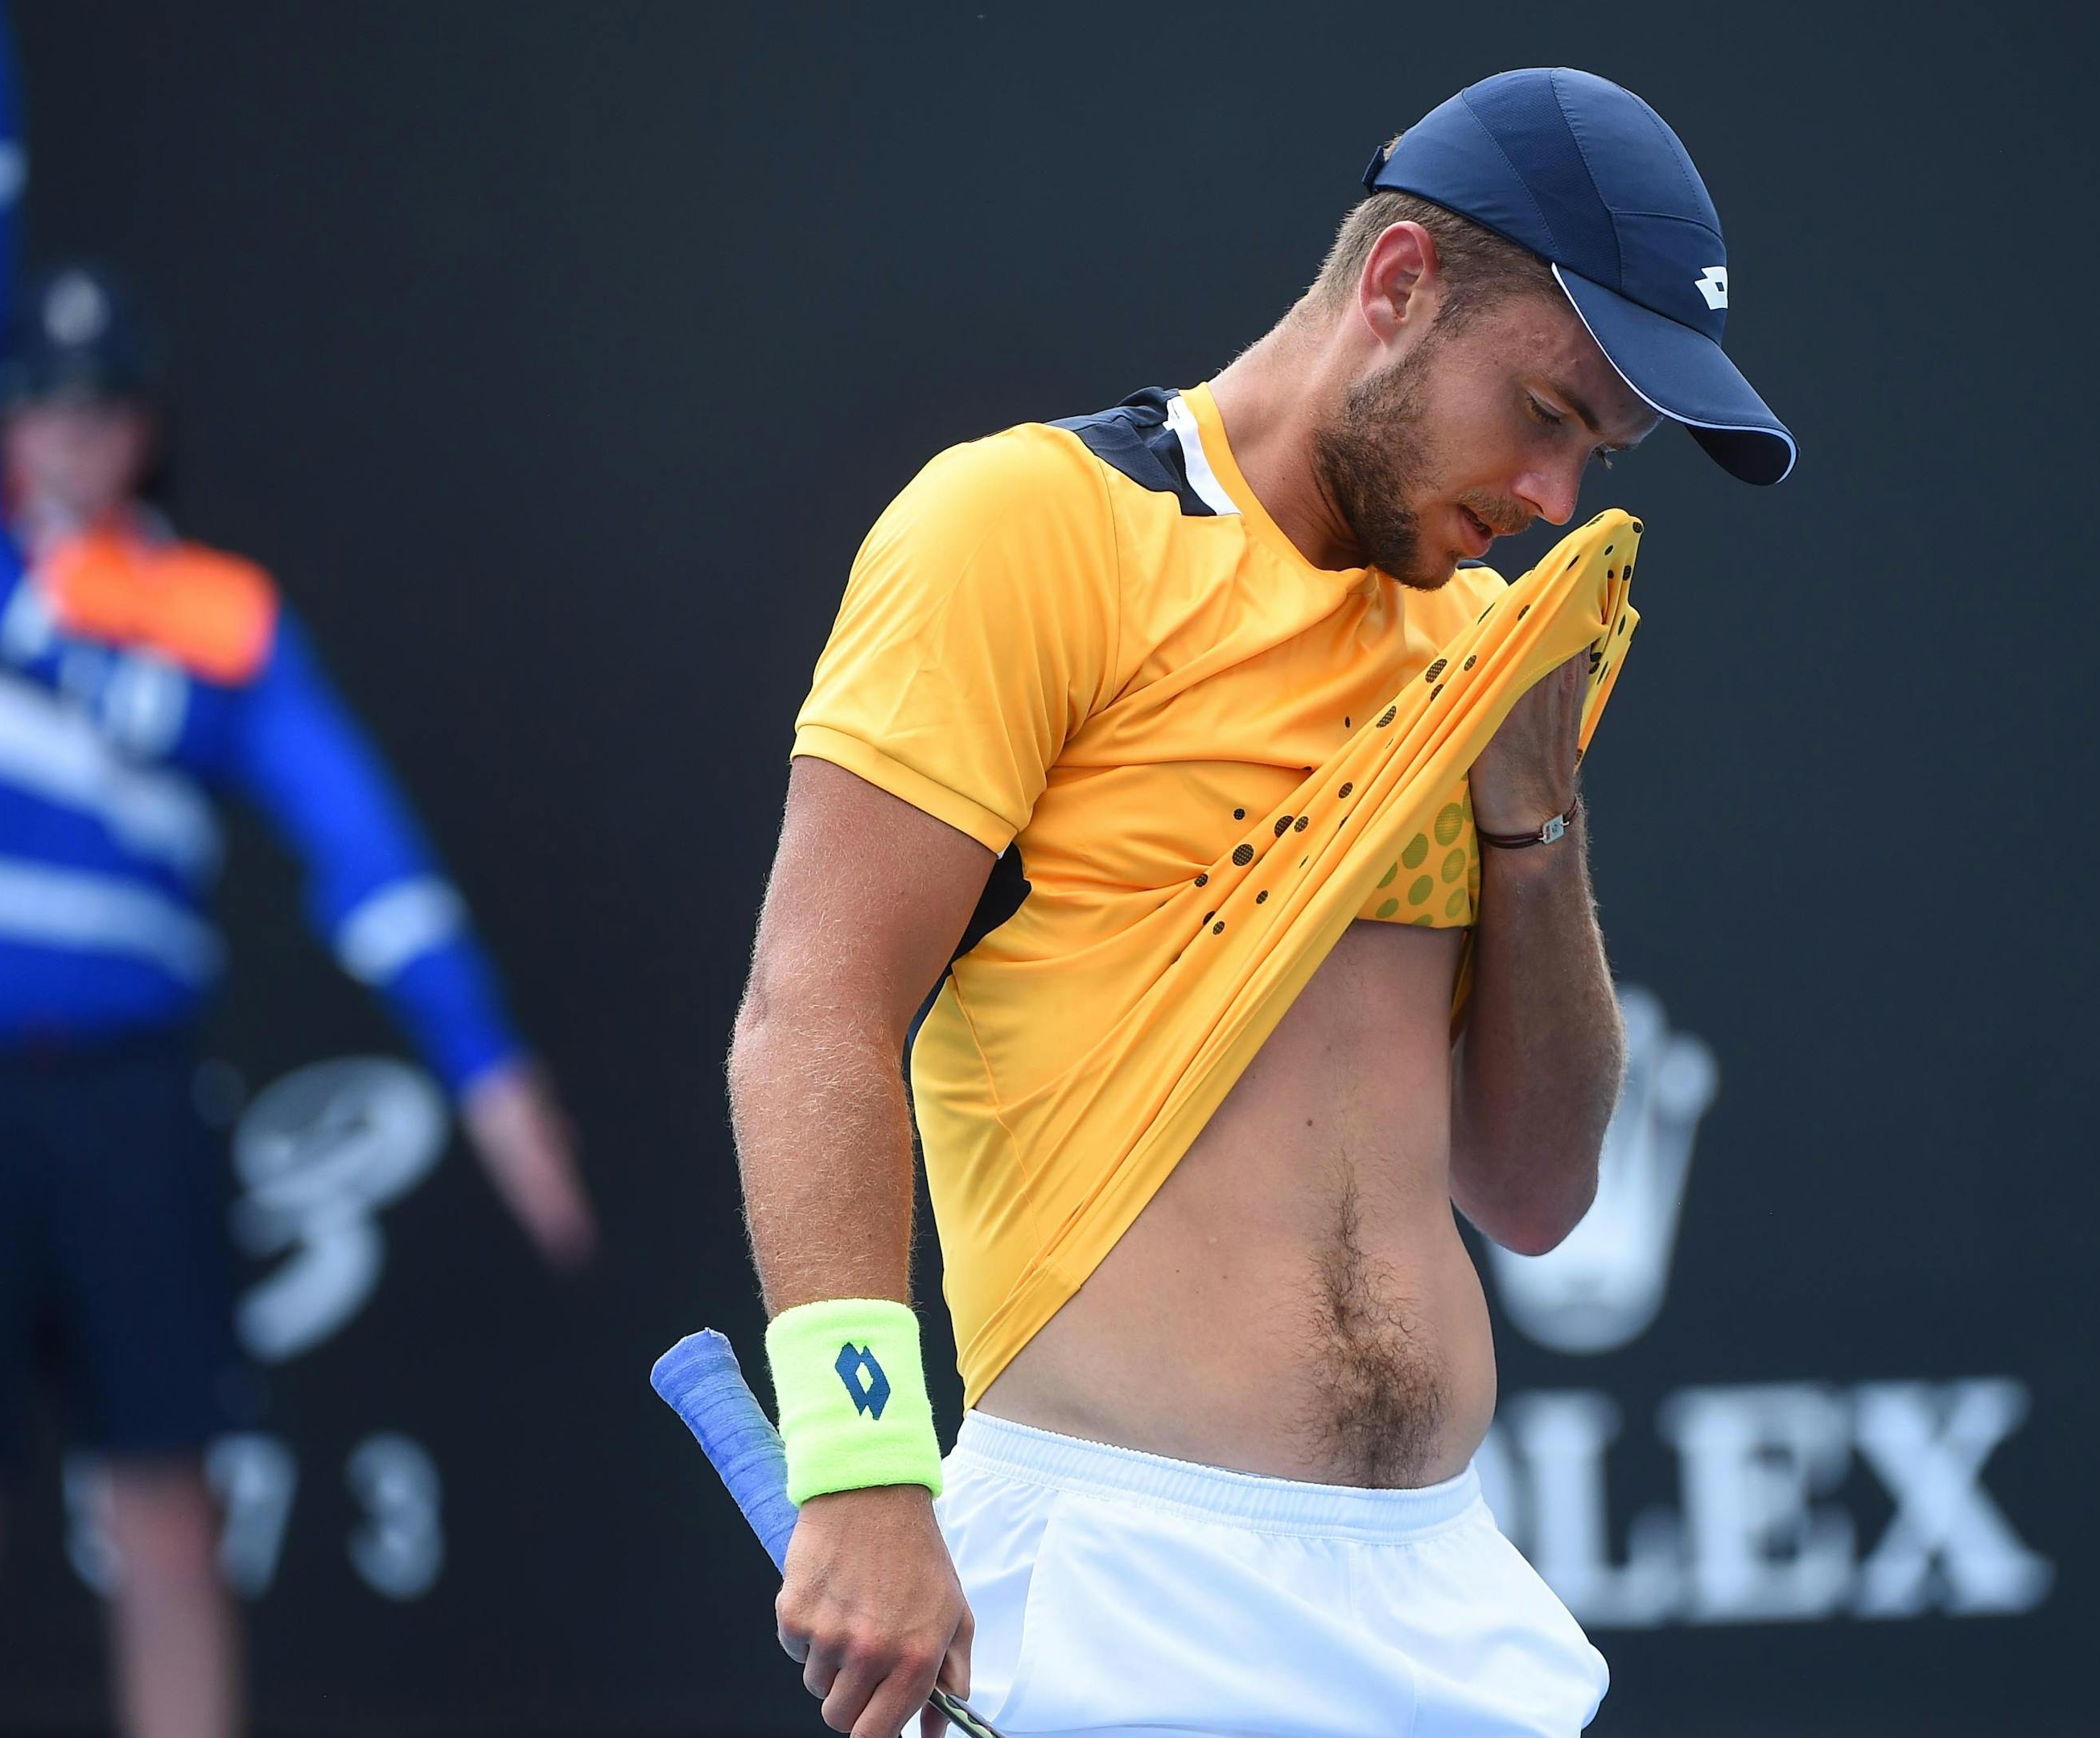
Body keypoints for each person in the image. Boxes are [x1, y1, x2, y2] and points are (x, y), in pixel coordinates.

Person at [727, 68, 1795, 1736]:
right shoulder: (1029, 528)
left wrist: (1539, 820)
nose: (1556, 498)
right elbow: (813, 1012)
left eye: (1600, 452)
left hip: (1445, 1602)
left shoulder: (1473, 653)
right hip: (1113, 1598)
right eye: (1547, 412)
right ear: (1394, 291)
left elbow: (1533, 1192)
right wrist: (859, 1466)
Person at [0, 4, 595, 1736]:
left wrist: (487, 1076)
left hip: (128, 1103)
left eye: (102, 408)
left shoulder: (218, 624)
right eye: (37, 404)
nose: (70, 436)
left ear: (147, 429)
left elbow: (367, 854)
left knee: (168, 1516)